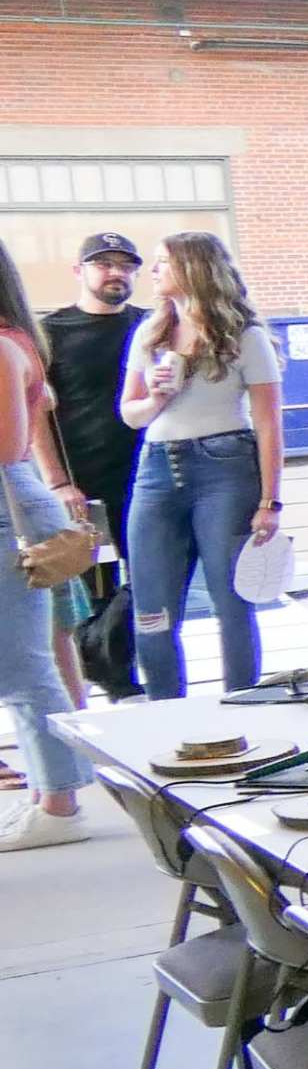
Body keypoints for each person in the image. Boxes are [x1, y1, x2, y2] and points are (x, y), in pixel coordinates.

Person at [117, 230, 280, 698]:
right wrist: (157, 396)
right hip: (156, 467)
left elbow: (269, 423)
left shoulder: (243, 335)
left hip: (225, 465)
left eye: (162, 262)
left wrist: (270, 500)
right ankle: (167, 711)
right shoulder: (149, 333)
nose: (153, 271)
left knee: (231, 599)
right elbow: (130, 414)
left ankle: (242, 706)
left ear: (192, 268)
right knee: (152, 604)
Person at [0, 246, 97, 845]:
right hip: (15, 503)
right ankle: (48, 792)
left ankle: (60, 803)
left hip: (7, 505)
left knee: (23, 662)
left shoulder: (4, 347)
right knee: (23, 658)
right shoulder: (15, 341)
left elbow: (9, 446)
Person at [39, 231, 147, 699]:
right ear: (79, 271)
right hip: (88, 490)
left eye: (125, 265)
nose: (115, 273)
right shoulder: (51, 332)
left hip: (151, 481)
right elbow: (36, 411)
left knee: (154, 580)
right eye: (104, 264)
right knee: (100, 590)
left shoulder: (152, 324)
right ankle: (118, 681)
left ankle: (102, 658)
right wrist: (58, 481)